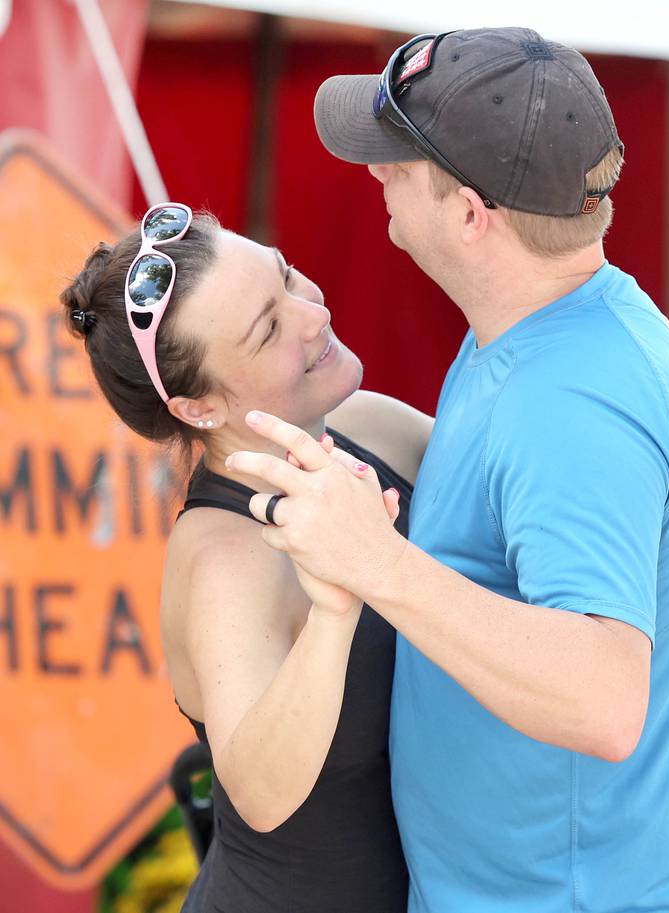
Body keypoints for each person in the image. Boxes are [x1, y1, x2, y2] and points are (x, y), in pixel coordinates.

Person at [226, 27, 669, 913]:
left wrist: (377, 562)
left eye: (398, 158)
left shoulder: (573, 399)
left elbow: (603, 699)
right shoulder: (545, 328)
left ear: (472, 214)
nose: (374, 172)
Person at [60, 203, 434, 912]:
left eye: (286, 277)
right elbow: (260, 793)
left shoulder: (373, 429)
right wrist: (333, 608)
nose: (311, 314)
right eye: (268, 329)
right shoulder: (221, 560)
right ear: (200, 408)